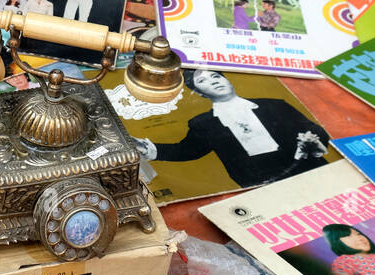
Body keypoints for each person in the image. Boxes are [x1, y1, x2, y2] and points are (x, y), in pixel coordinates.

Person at [133, 68, 331, 188]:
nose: (214, 82)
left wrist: (313, 141)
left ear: (227, 80)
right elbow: (188, 150)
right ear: (199, 93)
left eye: (216, 77)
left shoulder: (274, 104)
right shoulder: (202, 123)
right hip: (258, 180)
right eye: (203, 81)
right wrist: (148, 149)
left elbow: (315, 130)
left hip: (305, 166)